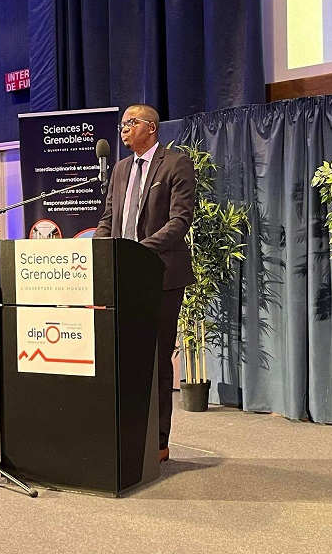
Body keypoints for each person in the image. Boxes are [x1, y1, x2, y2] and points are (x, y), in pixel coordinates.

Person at [94, 104, 196, 463]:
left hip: (161, 275)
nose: (123, 129)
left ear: (150, 128)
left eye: (130, 123)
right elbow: (109, 219)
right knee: (122, 357)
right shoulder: (121, 169)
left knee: (154, 359)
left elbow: (180, 220)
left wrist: (137, 251)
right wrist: (96, 251)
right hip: (121, 274)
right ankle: (125, 432)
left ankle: (158, 441)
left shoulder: (176, 164)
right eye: (122, 124)